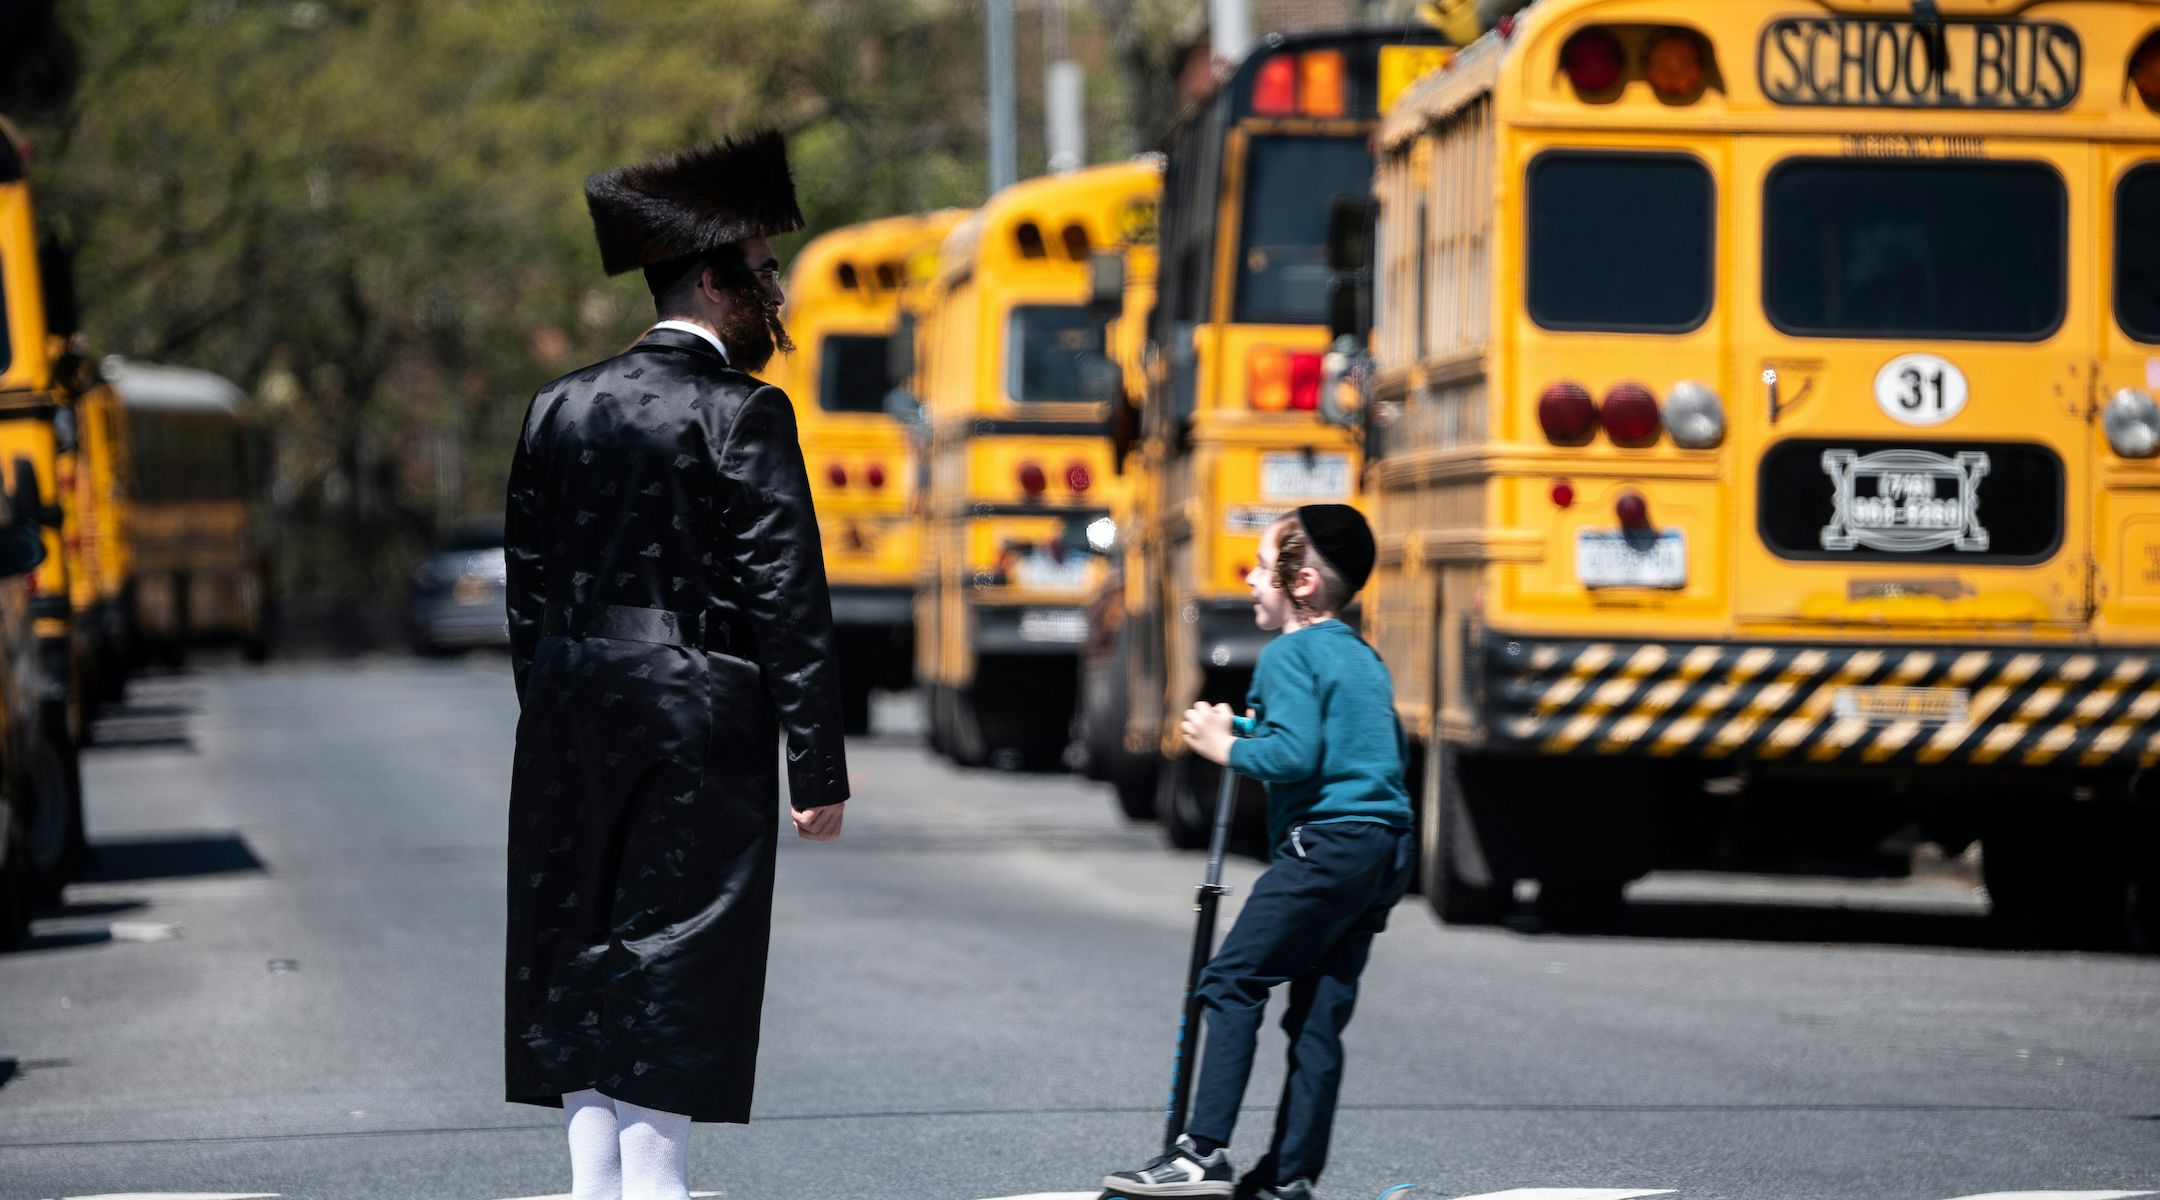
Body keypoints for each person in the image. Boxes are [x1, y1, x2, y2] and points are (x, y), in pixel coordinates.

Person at [502, 129, 850, 1200]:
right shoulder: (743, 410)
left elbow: (527, 586)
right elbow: (787, 596)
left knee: (579, 936)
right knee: (677, 943)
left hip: (567, 697)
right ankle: (655, 1187)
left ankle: (591, 1185)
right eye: (762, 270)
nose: (775, 290)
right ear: (713, 278)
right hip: (697, 702)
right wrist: (817, 765)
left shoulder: (556, 404)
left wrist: (556, 701)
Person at [1102, 505, 1412, 1200]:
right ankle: (1290, 1173)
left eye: (1260, 565)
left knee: (1231, 981)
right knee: (1318, 1013)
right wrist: (1242, 724)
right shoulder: (1359, 655)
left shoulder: (1289, 654)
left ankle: (1200, 1152)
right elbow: (1337, 739)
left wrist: (1226, 748)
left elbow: (1295, 754)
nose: (1247, 577)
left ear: (1300, 582)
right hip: (1382, 848)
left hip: (1325, 847)